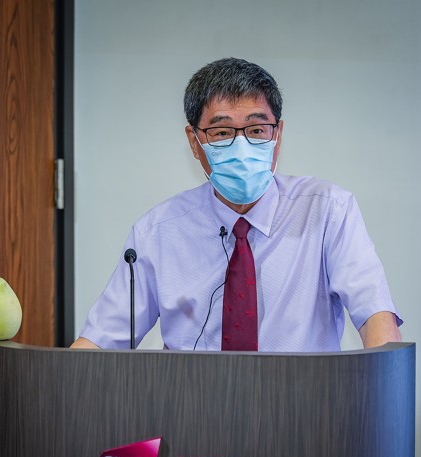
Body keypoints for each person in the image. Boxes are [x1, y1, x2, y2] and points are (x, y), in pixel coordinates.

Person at [72, 57, 401, 351]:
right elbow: (99, 342)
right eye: (222, 132)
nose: (241, 147)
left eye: (257, 130)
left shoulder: (328, 211)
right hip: (191, 399)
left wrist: (384, 383)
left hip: (304, 397)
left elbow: (375, 316)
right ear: (194, 141)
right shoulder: (157, 232)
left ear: (277, 135)